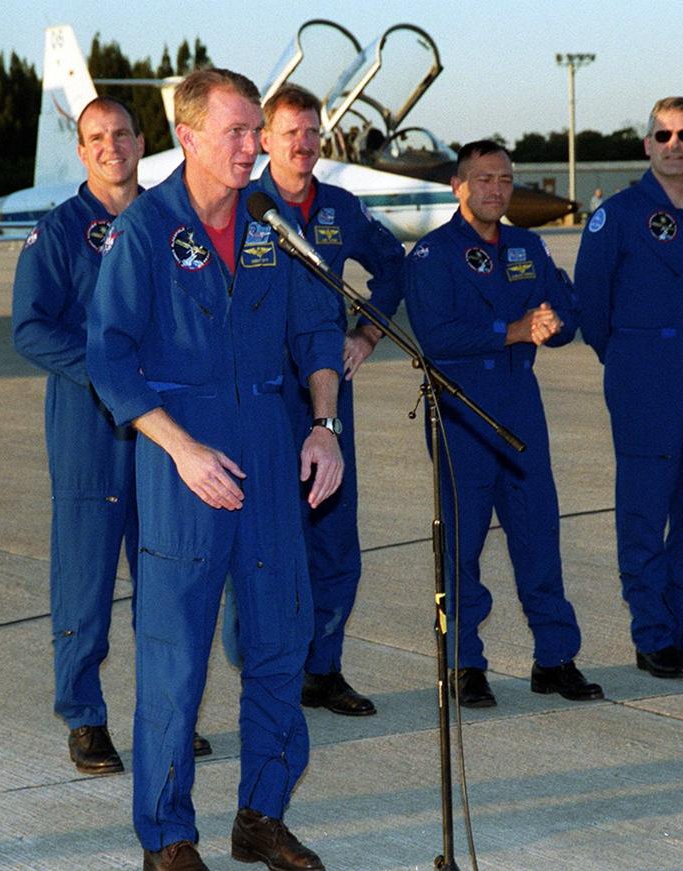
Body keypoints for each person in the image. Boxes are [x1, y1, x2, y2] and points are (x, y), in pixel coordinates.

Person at [87, 69, 342, 871]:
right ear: (188, 137)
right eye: (236, 131)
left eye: (256, 130)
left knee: (277, 643)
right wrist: (181, 446)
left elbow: (318, 329)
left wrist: (326, 425)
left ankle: (261, 815)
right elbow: (109, 356)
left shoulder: (270, 225)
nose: (253, 146)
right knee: (176, 657)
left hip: (271, 449)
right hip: (185, 462)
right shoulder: (146, 230)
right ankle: (167, 835)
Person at [13, 97, 221, 778]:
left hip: (164, 431)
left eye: (122, 134)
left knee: (167, 576)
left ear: (141, 141)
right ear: (82, 150)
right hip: (92, 431)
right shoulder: (60, 231)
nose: (111, 146)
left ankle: (168, 713)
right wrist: (106, 375)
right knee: (86, 579)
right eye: (96, 137)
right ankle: (84, 716)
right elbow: (32, 328)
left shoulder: (172, 223)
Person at [404, 140, 602, 707]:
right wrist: (513, 329)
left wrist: (552, 323)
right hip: (462, 413)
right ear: (458, 186)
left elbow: (564, 313)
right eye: (484, 179)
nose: (496, 189)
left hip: (520, 407)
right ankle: (465, 665)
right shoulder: (432, 255)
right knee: (462, 545)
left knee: (539, 534)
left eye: (505, 180)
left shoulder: (526, 247)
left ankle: (556, 657)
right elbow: (437, 337)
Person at [574, 96, 683, 680]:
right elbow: (590, 299)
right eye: (663, 135)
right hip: (643, 369)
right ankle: (653, 636)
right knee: (645, 507)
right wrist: (624, 354)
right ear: (647, 145)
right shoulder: (616, 214)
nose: (675, 145)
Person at [253, 83, 406, 717]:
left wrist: (367, 333)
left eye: (312, 132)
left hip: (324, 391)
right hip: (261, 396)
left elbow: (394, 266)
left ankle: (323, 668)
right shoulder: (243, 205)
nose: (304, 143)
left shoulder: (341, 207)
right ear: (265, 139)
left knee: (334, 532)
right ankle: (268, 669)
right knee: (263, 540)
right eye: (291, 132)